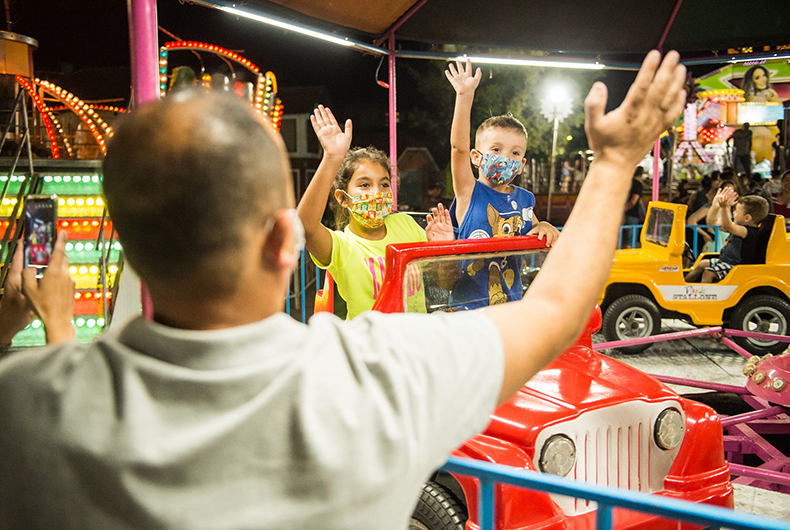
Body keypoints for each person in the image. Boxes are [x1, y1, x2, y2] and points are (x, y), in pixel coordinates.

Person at [0, 50, 687, 529]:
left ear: (126, 250)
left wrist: (41, 328)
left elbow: (58, 396)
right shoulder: (381, 373)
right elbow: (559, 308)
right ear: (285, 242)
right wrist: (616, 162)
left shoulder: (30, 403)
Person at [297, 105, 453, 319]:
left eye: (384, 184)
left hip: (413, 337)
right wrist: (332, 158)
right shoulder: (343, 246)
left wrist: (443, 249)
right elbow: (304, 228)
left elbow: (446, 283)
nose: (377, 193)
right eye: (364, 185)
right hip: (368, 341)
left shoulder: (406, 224)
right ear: (342, 198)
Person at [444, 59, 560, 308]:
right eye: (496, 149)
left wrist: (545, 226)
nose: (506, 158)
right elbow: (458, 149)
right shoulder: (469, 191)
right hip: (467, 311)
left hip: (510, 309)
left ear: (522, 163)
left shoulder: (525, 199)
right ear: (477, 157)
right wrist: (464, 97)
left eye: (515, 153)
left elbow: (535, 227)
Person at [685, 190, 770, 283]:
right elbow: (713, 222)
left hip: (736, 267)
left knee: (709, 272)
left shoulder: (748, 231)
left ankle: (703, 292)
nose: (733, 213)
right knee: (702, 264)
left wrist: (725, 208)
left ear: (747, 218)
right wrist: (715, 206)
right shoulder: (738, 227)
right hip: (725, 262)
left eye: (736, 211)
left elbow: (728, 226)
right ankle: (682, 285)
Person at [621, 166, 645, 248]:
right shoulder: (638, 184)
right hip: (632, 214)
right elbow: (634, 200)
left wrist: (621, 211)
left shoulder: (626, 182)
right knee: (630, 240)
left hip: (623, 215)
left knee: (622, 239)